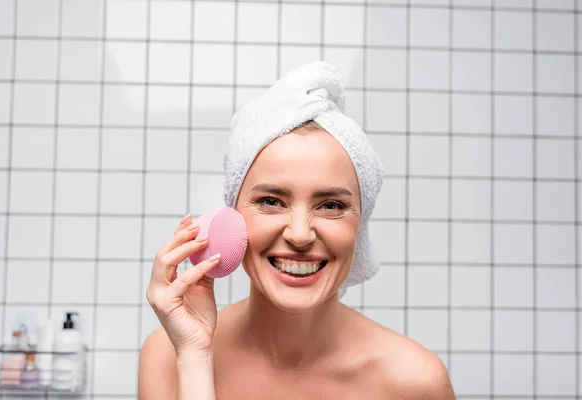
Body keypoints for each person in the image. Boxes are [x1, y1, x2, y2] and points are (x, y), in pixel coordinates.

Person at [138, 62, 456, 399]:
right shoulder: (169, 355)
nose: (300, 235)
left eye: (331, 205)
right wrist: (195, 356)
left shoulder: (415, 382)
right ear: (231, 217)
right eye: (272, 201)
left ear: (360, 226)